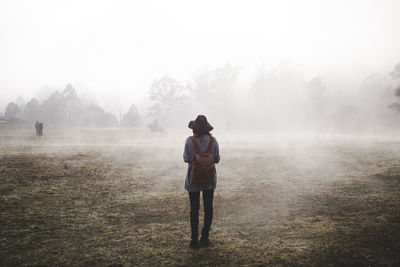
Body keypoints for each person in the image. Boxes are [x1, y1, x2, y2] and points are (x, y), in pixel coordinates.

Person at [183, 115, 220, 249]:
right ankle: (204, 238)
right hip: (209, 180)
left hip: (193, 180)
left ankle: (193, 240)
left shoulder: (189, 141)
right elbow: (217, 159)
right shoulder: (213, 141)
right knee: (208, 208)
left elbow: (186, 158)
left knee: (194, 210)